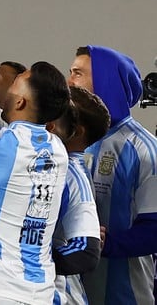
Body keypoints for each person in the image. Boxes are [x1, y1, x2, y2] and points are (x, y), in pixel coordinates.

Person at [0, 62, 71, 304]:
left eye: (14, 84)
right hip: (41, 292)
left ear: (20, 102)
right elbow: (2, 121)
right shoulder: (58, 151)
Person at [69, 46, 157, 305]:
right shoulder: (67, 139)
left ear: (106, 79)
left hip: (124, 295)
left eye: (77, 73)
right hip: (72, 294)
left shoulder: (145, 149)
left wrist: (107, 243)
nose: (69, 81)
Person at [48, 85, 110, 305]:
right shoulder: (47, 161)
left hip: (58, 295)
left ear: (76, 129)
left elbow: (85, 249)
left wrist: (28, 257)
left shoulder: (70, 173)